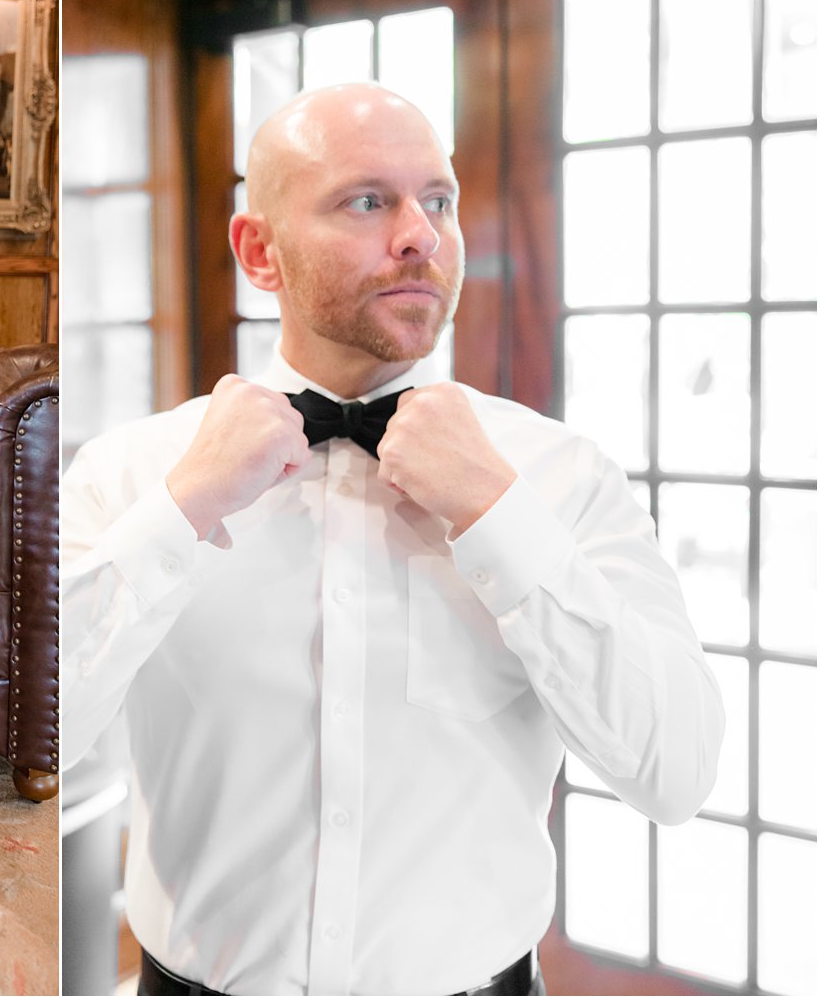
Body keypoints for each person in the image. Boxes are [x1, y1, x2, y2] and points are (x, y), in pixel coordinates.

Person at [60, 83, 723, 996]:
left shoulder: (562, 479)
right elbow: (35, 739)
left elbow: (676, 770)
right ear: (260, 251)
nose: (421, 234)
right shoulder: (129, 474)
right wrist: (182, 510)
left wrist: (498, 514)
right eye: (367, 200)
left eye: (437, 201)